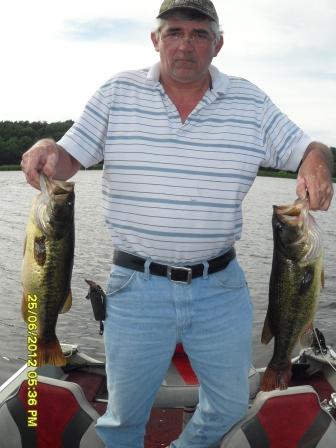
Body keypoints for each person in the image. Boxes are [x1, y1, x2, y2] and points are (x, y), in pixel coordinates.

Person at [21, 0, 334, 446]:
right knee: (124, 418)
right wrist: (48, 147)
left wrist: (318, 163)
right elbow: (68, 157)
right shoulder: (117, 93)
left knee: (228, 407)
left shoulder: (250, 101)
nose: (186, 43)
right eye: (174, 32)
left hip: (219, 289)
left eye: (199, 33)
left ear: (218, 44)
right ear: (155, 40)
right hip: (136, 285)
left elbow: (309, 148)